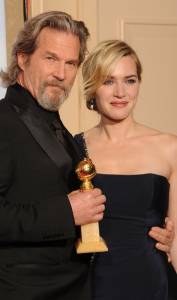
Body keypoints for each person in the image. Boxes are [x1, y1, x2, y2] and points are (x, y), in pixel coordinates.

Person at [0, 12, 174, 300]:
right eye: (50, 58)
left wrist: (161, 237)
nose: (61, 73)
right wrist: (65, 212)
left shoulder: (58, 129)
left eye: (71, 63)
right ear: (22, 58)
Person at [75, 39, 177, 299]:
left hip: (154, 284)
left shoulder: (170, 148)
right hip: (90, 286)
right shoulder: (72, 149)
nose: (120, 92)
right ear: (92, 89)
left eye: (129, 80)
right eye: (108, 81)